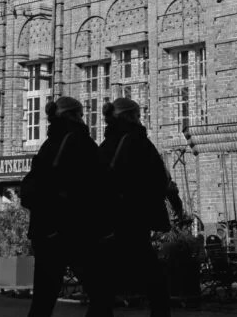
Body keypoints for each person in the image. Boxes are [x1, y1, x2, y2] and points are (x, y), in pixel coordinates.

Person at [20, 96, 114, 317]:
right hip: (75, 230)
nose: (84, 119)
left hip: (46, 229)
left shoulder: (48, 144)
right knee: (101, 294)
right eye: (81, 114)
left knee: (43, 299)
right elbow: (97, 186)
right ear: (73, 115)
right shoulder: (79, 141)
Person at [98, 98, 171, 317]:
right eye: (139, 116)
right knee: (155, 282)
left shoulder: (105, 145)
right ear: (131, 117)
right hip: (134, 219)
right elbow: (158, 179)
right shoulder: (137, 141)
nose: (141, 120)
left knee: (105, 285)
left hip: (108, 221)